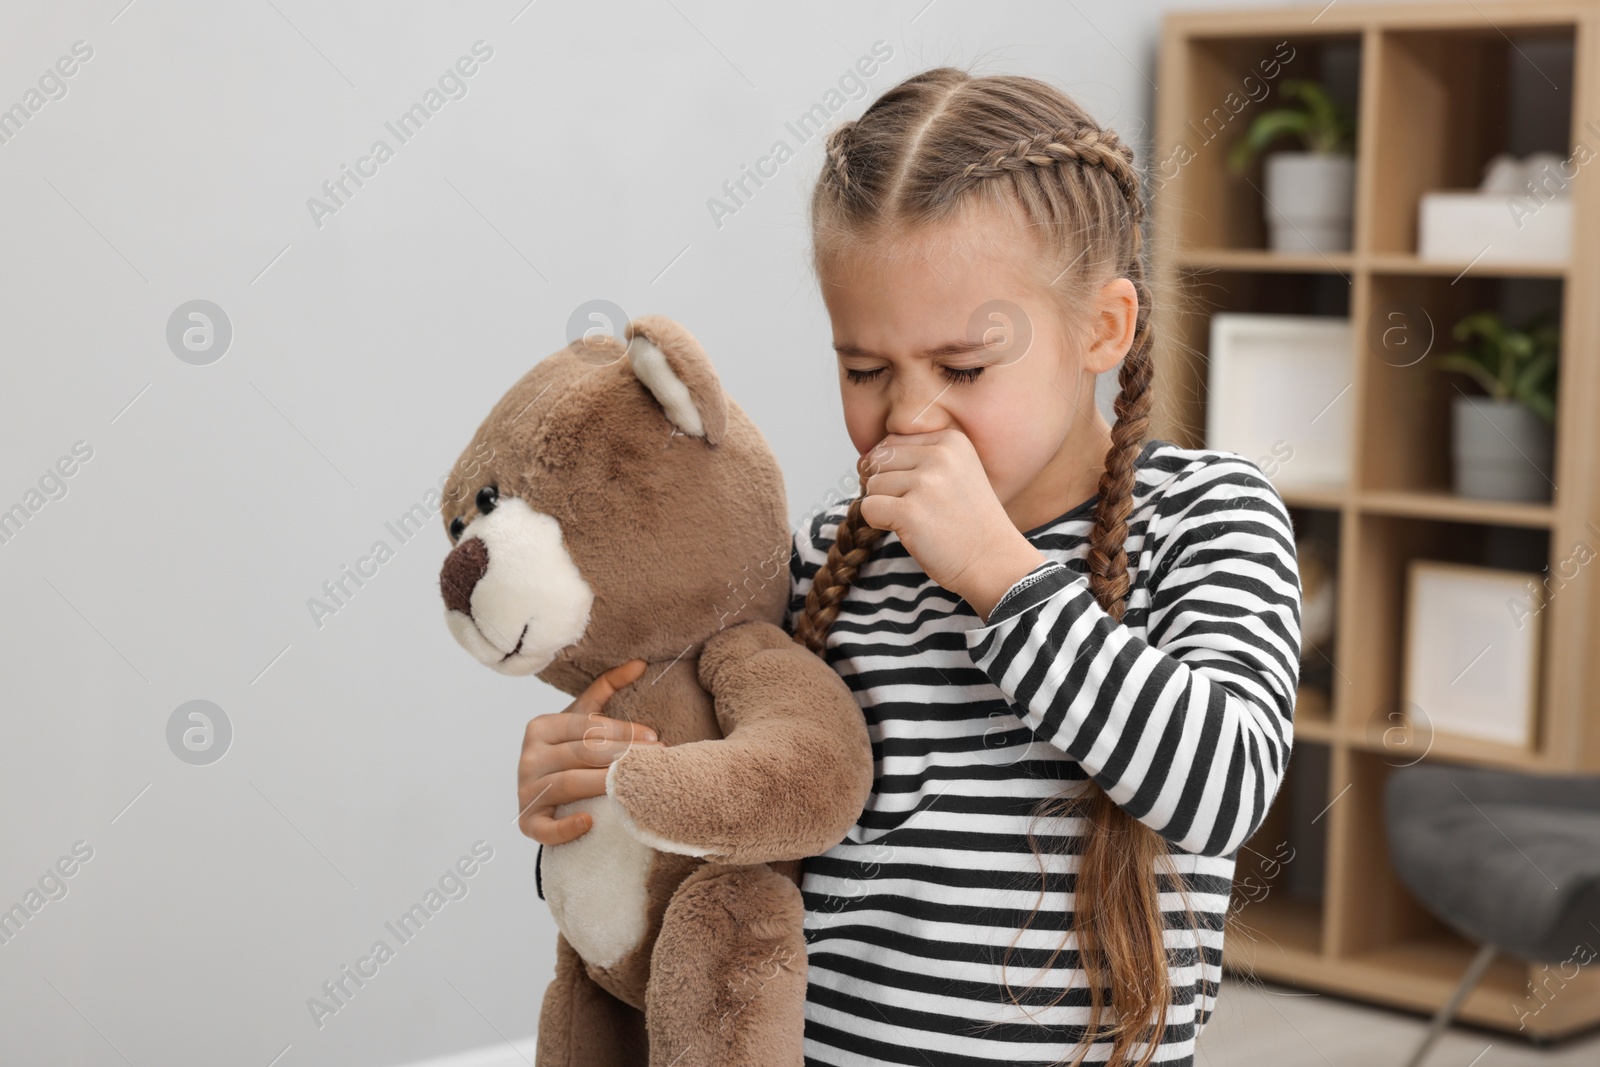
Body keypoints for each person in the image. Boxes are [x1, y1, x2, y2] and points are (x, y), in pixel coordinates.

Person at [520, 65, 1301, 1067]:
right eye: (864, 368)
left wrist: (999, 573)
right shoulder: (822, 558)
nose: (910, 413)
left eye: (964, 366)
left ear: (1103, 328)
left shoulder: (1208, 516)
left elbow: (1223, 786)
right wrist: (588, 805)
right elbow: (720, 846)